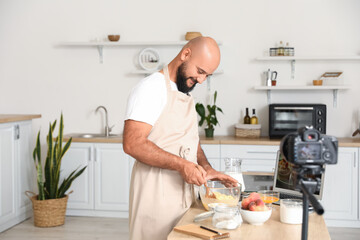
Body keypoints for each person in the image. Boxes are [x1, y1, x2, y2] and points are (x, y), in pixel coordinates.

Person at [123, 36, 237, 240]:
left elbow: (191, 140)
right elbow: (132, 144)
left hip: (185, 195)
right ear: (185, 54)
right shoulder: (150, 88)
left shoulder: (184, 92)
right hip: (155, 196)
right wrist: (182, 165)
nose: (201, 80)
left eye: (207, 76)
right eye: (200, 71)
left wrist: (206, 166)